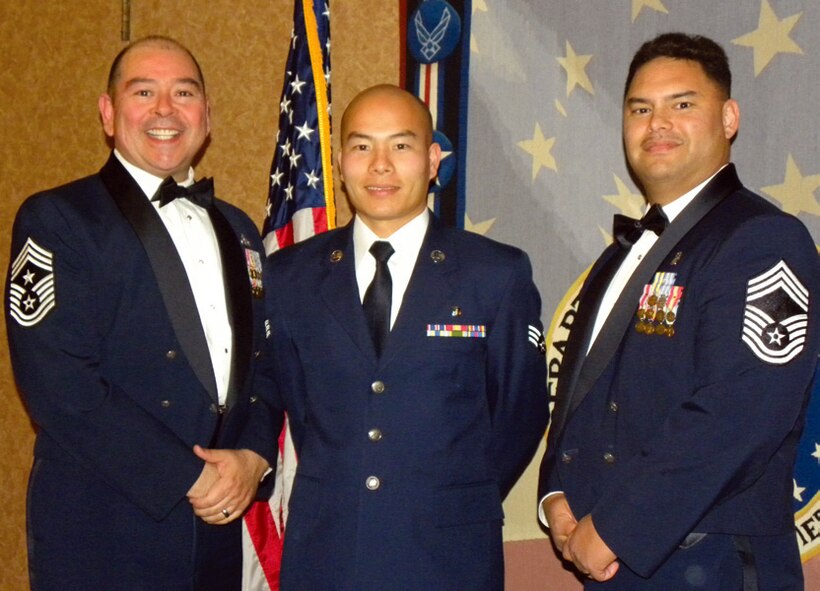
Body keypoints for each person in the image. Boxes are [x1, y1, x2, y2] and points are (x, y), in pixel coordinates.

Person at [538, 32, 818, 590]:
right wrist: (555, 494)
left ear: (729, 118)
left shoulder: (765, 241)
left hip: (712, 564)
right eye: (640, 109)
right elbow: (580, 395)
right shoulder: (618, 256)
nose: (657, 123)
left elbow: (739, 413)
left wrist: (617, 527)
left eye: (682, 105)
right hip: (617, 563)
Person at [5, 36, 278, 590]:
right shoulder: (57, 219)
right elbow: (59, 387)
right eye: (143, 91)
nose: (164, 110)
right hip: (105, 533)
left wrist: (253, 456)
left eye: (183, 92)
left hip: (218, 537)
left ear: (206, 117)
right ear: (108, 114)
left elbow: (265, 367)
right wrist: (190, 476)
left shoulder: (240, 228)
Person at [259, 84, 549, 590]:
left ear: (434, 160)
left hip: (447, 553)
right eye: (362, 146)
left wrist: (454, 495)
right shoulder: (291, 277)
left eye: (401, 145)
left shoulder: (494, 274)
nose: (380, 165)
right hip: (328, 551)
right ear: (341, 161)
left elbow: (520, 412)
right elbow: (292, 403)